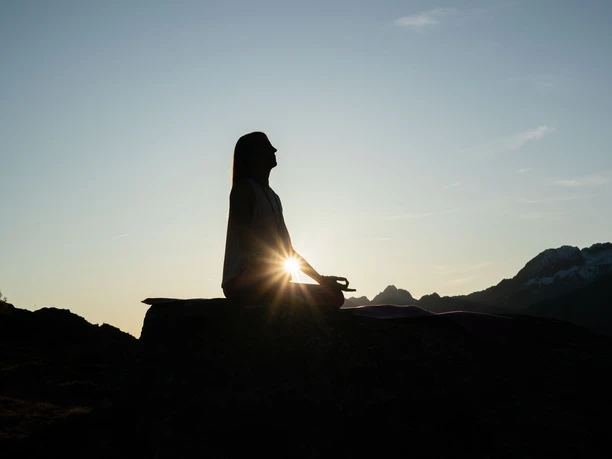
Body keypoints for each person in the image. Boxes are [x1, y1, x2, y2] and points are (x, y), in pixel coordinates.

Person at [222, 131, 349, 308]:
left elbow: (287, 250)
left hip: (269, 283)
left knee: (334, 295)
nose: (274, 149)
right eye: (267, 147)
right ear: (254, 155)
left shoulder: (273, 197)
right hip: (243, 282)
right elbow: (247, 244)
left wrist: (321, 279)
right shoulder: (243, 189)